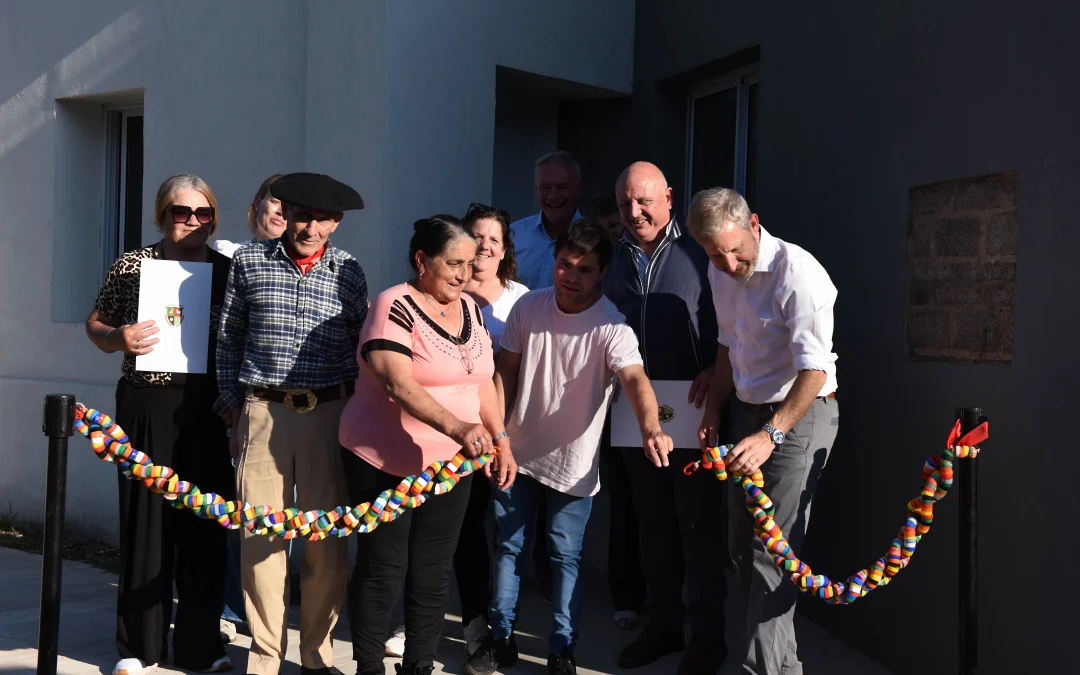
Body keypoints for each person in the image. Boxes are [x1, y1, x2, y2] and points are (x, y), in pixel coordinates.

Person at [465, 217, 673, 675]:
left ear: (601, 273)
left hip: (573, 466)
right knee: (509, 549)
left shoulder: (612, 327)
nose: (570, 276)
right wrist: (498, 438)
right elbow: (506, 375)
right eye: (564, 264)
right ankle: (499, 640)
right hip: (514, 455)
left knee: (565, 558)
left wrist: (652, 427)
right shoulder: (528, 308)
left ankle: (562, 649)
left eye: (583, 269)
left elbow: (635, 379)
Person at [338, 215, 519, 675]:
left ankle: (418, 665)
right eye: (452, 263)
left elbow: (482, 382)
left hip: (446, 467)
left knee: (433, 568)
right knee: (384, 566)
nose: (463, 273)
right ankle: (370, 666)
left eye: (468, 263)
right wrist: (459, 429)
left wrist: (500, 440)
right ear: (422, 260)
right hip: (381, 458)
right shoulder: (392, 304)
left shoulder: (471, 309)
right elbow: (397, 382)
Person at [215, 172, 369, 675]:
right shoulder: (248, 261)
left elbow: (358, 348)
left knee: (326, 542)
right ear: (287, 214)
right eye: (301, 215)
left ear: (336, 224)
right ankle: (264, 658)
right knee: (261, 539)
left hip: (330, 413)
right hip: (263, 411)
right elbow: (229, 336)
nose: (309, 227)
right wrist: (231, 405)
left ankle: (316, 655)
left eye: (322, 219)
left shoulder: (350, 271)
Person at [85, 173, 235, 675]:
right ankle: (139, 648)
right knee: (145, 523)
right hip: (147, 402)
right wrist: (117, 337)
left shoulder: (229, 270)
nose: (192, 221)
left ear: (214, 218)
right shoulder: (133, 265)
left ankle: (201, 646)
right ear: (161, 214)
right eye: (180, 211)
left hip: (209, 408)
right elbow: (97, 322)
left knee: (204, 526)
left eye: (203, 213)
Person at [687, 188, 839, 675]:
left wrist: (770, 434)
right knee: (739, 547)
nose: (729, 264)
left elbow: (814, 371)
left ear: (754, 223)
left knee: (771, 553)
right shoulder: (717, 270)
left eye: (735, 250)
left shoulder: (800, 274)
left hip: (800, 415)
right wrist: (714, 410)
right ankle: (781, 664)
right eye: (715, 254)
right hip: (748, 416)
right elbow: (729, 344)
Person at [603, 162, 727, 675]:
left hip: (696, 411)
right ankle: (665, 624)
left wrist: (714, 373)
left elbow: (732, 327)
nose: (634, 212)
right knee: (651, 522)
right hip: (636, 415)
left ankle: (708, 636)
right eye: (626, 203)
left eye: (645, 201)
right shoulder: (614, 261)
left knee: (697, 524)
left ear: (669, 198)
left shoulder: (702, 253)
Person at [208, 173, 285, 644]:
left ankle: (260, 606)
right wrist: (229, 400)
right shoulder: (226, 256)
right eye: (274, 203)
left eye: (290, 207)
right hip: (227, 403)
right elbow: (227, 336)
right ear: (256, 206)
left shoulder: (318, 266)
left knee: (268, 516)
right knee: (228, 508)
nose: (280, 213)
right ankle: (227, 606)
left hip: (281, 412)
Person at [509, 151, 584, 290]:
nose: (553, 196)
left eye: (562, 187)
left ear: (578, 188)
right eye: (545, 188)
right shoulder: (514, 235)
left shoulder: (594, 240)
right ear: (536, 190)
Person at [209, 173, 285, 258]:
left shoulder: (300, 263)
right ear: (257, 203)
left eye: (290, 207)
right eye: (275, 201)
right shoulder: (229, 253)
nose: (281, 212)